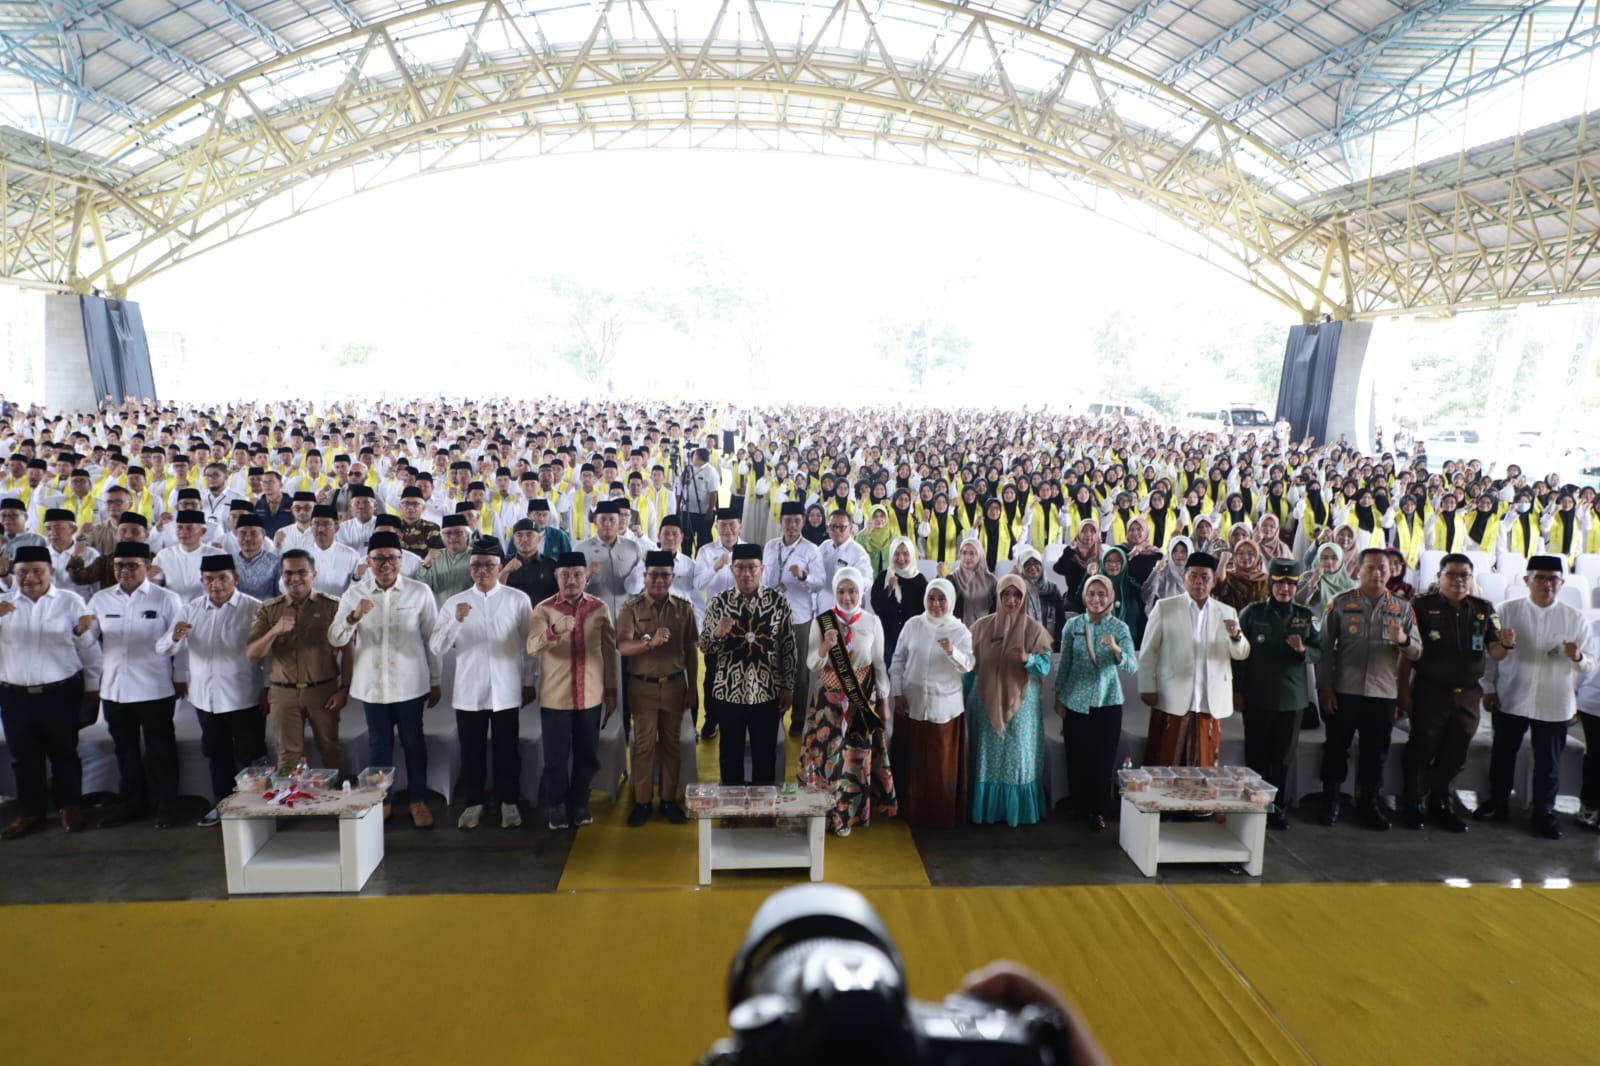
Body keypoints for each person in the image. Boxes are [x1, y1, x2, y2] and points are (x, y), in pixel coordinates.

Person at [328, 531, 442, 829]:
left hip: (410, 684)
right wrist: (353, 617)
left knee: (413, 742)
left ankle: (417, 800)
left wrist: (436, 679)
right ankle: (383, 800)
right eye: (379, 558)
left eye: (393, 557)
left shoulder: (419, 592)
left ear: (402, 560)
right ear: (369, 562)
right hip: (372, 685)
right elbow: (335, 637)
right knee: (379, 744)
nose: (386, 563)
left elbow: (431, 639)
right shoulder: (354, 594)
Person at [1477, 556, 1597, 838]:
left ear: (1562, 583)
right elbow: (1489, 656)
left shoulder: (1575, 618)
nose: (1547, 584)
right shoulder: (1505, 611)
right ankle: (1497, 803)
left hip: (1554, 702)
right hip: (1511, 696)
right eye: (1540, 577)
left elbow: (1590, 664)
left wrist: (1578, 657)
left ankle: (1543, 813)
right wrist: (1489, 688)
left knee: (1548, 762)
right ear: (1526, 580)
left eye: (1553, 579)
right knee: (1503, 755)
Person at [1395, 552, 1507, 833]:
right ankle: (1412, 803)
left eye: (1464, 575)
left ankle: (1441, 803)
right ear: (1439, 576)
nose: (1459, 580)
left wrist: (1506, 645)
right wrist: (1402, 693)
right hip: (1430, 691)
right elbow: (1406, 654)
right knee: (1422, 748)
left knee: (1456, 751)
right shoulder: (1421, 606)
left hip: (1468, 695)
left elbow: (1495, 651)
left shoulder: (1483, 608)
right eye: (1452, 574)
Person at [428, 538, 534, 830]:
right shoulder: (455, 602)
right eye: (476, 565)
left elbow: (530, 647)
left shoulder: (517, 599)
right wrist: (456, 621)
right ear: (469, 569)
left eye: (489, 565)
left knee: (507, 750)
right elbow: (437, 647)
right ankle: (474, 802)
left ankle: (508, 801)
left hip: (506, 689)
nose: (482, 571)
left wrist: (529, 681)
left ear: (499, 568)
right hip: (469, 691)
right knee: (471, 751)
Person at [154, 554, 267, 827]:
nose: (215, 584)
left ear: (235, 579)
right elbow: (162, 648)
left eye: (222, 578)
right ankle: (223, 806)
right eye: (209, 579)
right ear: (201, 581)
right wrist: (175, 636)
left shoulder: (254, 608)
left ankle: (258, 809)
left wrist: (268, 688)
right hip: (207, 700)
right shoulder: (190, 609)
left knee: (251, 755)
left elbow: (271, 654)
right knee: (217, 756)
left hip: (244, 696)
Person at [1316, 547, 1423, 830]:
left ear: (1391, 572)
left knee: (1375, 753)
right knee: (1336, 748)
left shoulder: (1402, 608)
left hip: (1382, 693)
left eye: (1382, 568)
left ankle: (1368, 803)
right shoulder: (1341, 602)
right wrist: (1325, 688)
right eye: (1371, 568)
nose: (1377, 573)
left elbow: (1417, 651)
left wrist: (1403, 640)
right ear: (1358, 570)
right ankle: (1331, 799)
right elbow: (1325, 649)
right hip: (1344, 690)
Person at [0, 545, 101, 839]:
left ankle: (70, 806)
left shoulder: (70, 602)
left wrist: (93, 686)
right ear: (14, 574)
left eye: (37, 571)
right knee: (23, 756)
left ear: (51, 572)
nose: (29, 578)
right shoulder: (4, 604)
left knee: (64, 752)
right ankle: (31, 813)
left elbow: (88, 648)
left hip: (60, 692)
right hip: (15, 695)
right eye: (22, 572)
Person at [88, 541, 185, 829]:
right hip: (115, 688)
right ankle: (132, 803)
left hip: (155, 687)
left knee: (160, 749)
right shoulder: (100, 599)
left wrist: (181, 676)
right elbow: (87, 641)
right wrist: (79, 633)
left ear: (147, 567)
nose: (125, 571)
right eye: (119, 565)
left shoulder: (166, 598)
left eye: (132, 565)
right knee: (124, 749)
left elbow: (180, 641)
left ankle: (166, 803)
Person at [799, 567, 896, 836]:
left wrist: (884, 702)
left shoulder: (872, 622)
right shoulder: (823, 621)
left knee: (855, 758)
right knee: (827, 756)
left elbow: (878, 664)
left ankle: (848, 816)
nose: (847, 597)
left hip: (861, 698)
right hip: (828, 701)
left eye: (852, 591)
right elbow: (811, 663)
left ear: (860, 592)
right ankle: (823, 814)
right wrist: (825, 648)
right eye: (841, 591)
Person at [245, 549, 352, 790]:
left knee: (330, 748)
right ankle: (287, 800)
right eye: (288, 573)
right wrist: (274, 631)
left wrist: (344, 689)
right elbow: (252, 653)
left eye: (302, 572)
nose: (295, 579)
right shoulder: (269, 610)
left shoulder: (333, 606)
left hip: (323, 690)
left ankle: (340, 800)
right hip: (283, 692)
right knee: (287, 754)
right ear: (281, 577)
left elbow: (349, 650)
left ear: (314, 574)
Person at [526, 551, 618, 829]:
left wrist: (611, 690)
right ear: (556, 577)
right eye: (565, 574)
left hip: (590, 695)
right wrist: (554, 630)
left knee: (587, 754)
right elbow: (532, 647)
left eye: (577, 574)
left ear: (586, 577)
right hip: (556, 697)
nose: (571, 580)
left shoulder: (599, 608)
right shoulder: (544, 609)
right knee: (555, 756)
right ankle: (556, 806)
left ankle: (579, 803)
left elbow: (609, 651)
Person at [1137, 552, 1250, 767]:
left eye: (1205, 577)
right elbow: (1148, 651)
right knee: (1166, 760)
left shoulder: (1227, 612)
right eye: (1193, 576)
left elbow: (1241, 653)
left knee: (1205, 764)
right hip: (1172, 694)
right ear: (1184, 578)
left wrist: (1236, 636)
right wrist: (1147, 687)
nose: (1199, 582)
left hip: (1209, 696)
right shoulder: (1165, 608)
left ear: (1214, 581)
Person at [1234, 559, 1321, 830]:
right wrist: (1237, 690)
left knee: (1282, 759)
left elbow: (1319, 651)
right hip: (1257, 697)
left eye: (1291, 584)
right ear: (1271, 584)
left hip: (1292, 700)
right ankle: (1254, 806)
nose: (1285, 589)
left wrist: (1303, 650)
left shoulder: (1305, 616)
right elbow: (1237, 655)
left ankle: (1278, 808)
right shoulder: (1252, 613)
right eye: (1280, 583)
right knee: (1256, 756)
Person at [700, 543, 797, 786]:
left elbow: (788, 647)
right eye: (740, 568)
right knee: (729, 755)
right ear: (732, 570)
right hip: (729, 692)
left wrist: (788, 686)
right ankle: (731, 804)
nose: (746, 574)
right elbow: (705, 646)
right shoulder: (719, 603)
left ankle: (763, 804)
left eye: (752, 568)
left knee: (765, 755)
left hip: (767, 691)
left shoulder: (778, 602)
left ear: (762, 569)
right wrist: (718, 633)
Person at [615, 550, 699, 826]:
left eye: (665, 575)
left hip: (675, 686)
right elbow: (623, 646)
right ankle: (642, 801)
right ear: (645, 576)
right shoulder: (631, 608)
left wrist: (693, 688)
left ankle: (668, 800)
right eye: (654, 575)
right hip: (643, 688)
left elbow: (691, 649)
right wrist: (649, 643)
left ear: (673, 577)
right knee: (644, 746)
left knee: (672, 745)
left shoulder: (684, 608)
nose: (660, 580)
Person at [1053, 573, 1138, 831]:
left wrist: (1116, 650)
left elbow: (1132, 667)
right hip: (1075, 701)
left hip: (1108, 701)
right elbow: (1064, 664)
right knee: (1076, 757)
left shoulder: (1119, 628)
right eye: (1091, 593)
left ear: (1110, 597)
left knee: (1103, 760)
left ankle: (1098, 810)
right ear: (1084, 596)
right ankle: (1079, 806)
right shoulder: (1073, 626)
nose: (1096, 599)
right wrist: (1058, 697)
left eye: (1102, 594)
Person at [966, 573, 1053, 827]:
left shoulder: (1033, 629)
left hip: (1023, 704)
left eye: (1017, 595)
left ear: (1024, 597)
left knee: (1020, 757)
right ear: (998, 596)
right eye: (1006, 594)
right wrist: (961, 698)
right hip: (985, 701)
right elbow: (969, 667)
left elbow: (1045, 667)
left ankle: (1019, 811)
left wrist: (1028, 659)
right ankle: (987, 810)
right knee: (987, 757)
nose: (1011, 600)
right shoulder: (981, 627)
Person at [889, 578, 972, 829]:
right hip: (911, 704)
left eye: (941, 599)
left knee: (939, 765)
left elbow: (968, 665)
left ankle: (939, 815)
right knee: (912, 762)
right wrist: (897, 692)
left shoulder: (959, 631)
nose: (936, 604)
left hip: (944, 710)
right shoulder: (913, 625)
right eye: (931, 598)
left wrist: (952, 651)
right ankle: (909, 811)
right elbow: (898, 660)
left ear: (951, 601)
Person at [764, 500, 825, 737]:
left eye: (797, 521)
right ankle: (775, 715)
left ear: (803, 522)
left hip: (799, 617)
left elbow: (819, 583)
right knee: (773, 666)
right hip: (771, 615)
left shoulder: (811, 550)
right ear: (781, 522)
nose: (792, 525)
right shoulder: (771, 546)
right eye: (788, 520)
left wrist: (803, 576)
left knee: (800, 672)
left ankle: (798, 719)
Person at [692, 507, 744, 740]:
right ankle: (711, 719)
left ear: (740, 526)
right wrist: (717, 566)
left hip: (743, 619)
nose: (728, 530)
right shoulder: (706, 551)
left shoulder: (748, 550)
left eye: (732, 525)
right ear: (716, 527)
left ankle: (735, 719)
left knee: (741, 669)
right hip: (714, 619)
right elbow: (698, 584)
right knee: (713, 672)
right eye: (723, 525)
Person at [870, 535, 927, 666]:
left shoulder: (919, 579)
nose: (901, 558)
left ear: (912, 555)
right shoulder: (883, 577)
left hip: (912, 639)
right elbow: (876, 607)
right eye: (897, 553)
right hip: (888, 638)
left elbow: (925, 610)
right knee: (889, 671)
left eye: (906, 554)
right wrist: (889, 589)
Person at [817, 510, 874, 613]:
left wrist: (853, 583)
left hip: (847, 608)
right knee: (825, 624)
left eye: (842, 527)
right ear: (828, 528)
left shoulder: (858, 553)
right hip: (824, 606)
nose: (837, 531)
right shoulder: (825, 546)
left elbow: (867, 580)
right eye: (833, 527)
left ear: (850, 529)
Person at [1014, 547, 1063, 653]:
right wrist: (1012, 575)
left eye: (1036, 563)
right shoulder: (1017, 589)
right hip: (1023, 646)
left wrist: (1059, 645)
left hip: (1050, 644)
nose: (1032, 567)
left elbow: (1060, 619)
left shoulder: (1052, 588)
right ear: (1021, 567)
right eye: (1027, 564)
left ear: (1042, 565)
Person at [950, 537, 996, 628]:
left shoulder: (991, 580)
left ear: (980, 555)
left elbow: (996, 609)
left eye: (972, 553)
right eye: (964, 553)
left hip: (985, 629)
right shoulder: (953, 578)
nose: (967, 557)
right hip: (958, 630)